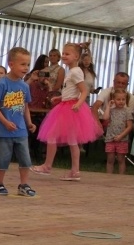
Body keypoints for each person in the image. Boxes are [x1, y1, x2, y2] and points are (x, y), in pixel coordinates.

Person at [30, 42, 102, 181]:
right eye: (63, 53)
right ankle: (75, 171)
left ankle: (47, 166)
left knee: (51, 135)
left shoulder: (75, 72)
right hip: (67, 104)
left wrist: (79, 104)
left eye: (67, 54)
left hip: (70, 108)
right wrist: (60, 97)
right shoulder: (73, 71)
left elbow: (84, 90)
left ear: (76, 57)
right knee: (72, 140)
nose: (63, 56)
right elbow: (72, 91)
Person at [0, 47, 37, 197]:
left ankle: (23, 185)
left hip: (21, 130)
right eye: (22, 64)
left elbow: (25, 106)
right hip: (4, 131)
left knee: (25, 159)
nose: (26, 68)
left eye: (28, 64)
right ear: (11, 64)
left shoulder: (24, 86)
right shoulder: (2, 84)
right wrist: (5, 122)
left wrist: (29, 122)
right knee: (3, 159)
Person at [101, 89, 133, 175]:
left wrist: (121, 136)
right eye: (118, 99)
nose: (121, 101)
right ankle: (109, 176)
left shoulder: (127, 111)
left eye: (123, 99)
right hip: (110, 139)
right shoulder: (111, 110)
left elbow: (129, 126)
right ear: (113, 100)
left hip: (122, 139)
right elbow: (105, 118)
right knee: (110, 159)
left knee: (121, 159)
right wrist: (108, 106)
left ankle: (121, 177)